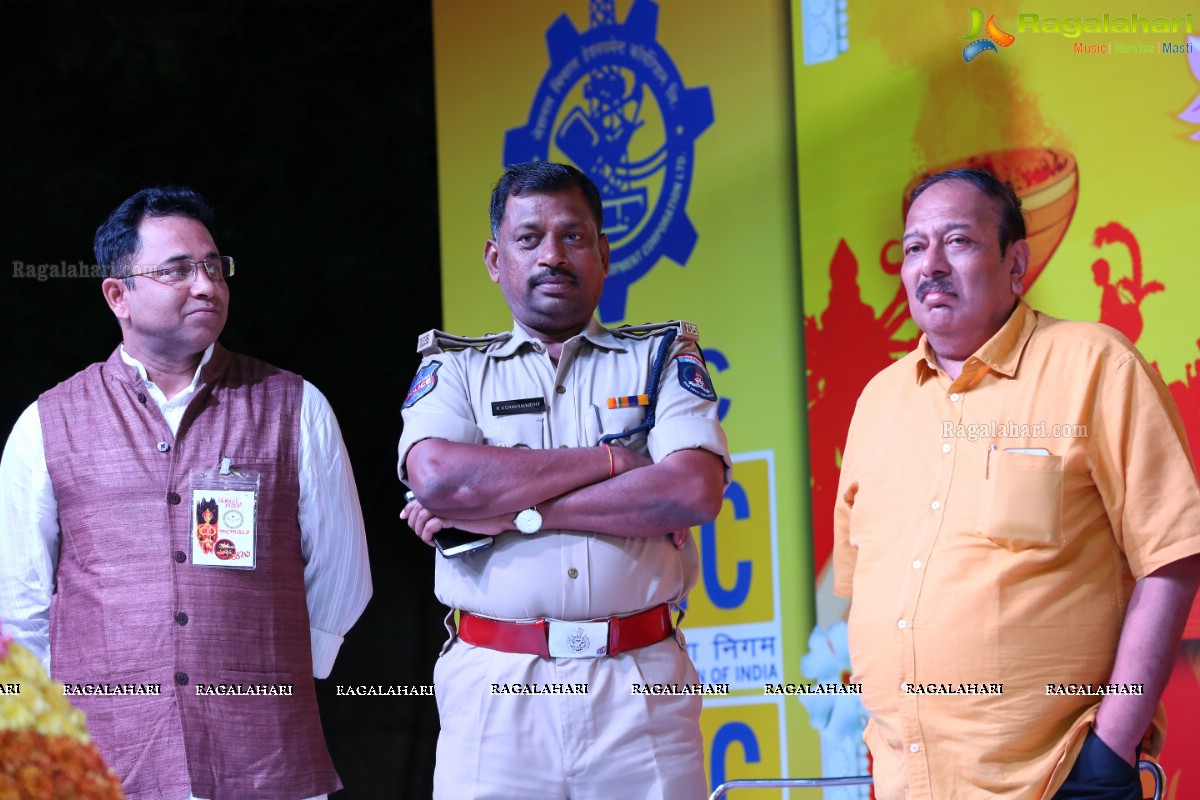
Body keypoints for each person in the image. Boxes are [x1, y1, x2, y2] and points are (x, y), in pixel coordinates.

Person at [833, 168, 1200, 799]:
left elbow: (1173, 556)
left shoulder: (1096, 366)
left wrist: (1111, 746)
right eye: (915, 247)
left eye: (960, 241)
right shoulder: (876, 403)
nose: (932, 265)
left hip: (1057, 775)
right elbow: (858, 582)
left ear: (1016, 261)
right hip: (907, 780)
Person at [0, 186, 373, 800]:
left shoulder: (295, 405)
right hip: (104, 757)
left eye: (214, 267)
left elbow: (342, 568)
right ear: (118, 295)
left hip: (265, 753)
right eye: (177, 270)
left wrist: (284, 670)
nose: (206, 285)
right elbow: (20, 599)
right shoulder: (48, 423)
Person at [397, 161, 730, 799]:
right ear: (496, 260)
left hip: (641, 688)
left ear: (603, 253)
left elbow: (691, 490)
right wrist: (614, 462)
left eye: (572, 236)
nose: (552, 254)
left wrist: (519, 512)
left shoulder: (662, 357)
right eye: (529, 239)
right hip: (497, 687)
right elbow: (439, 480)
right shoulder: (455, 367)